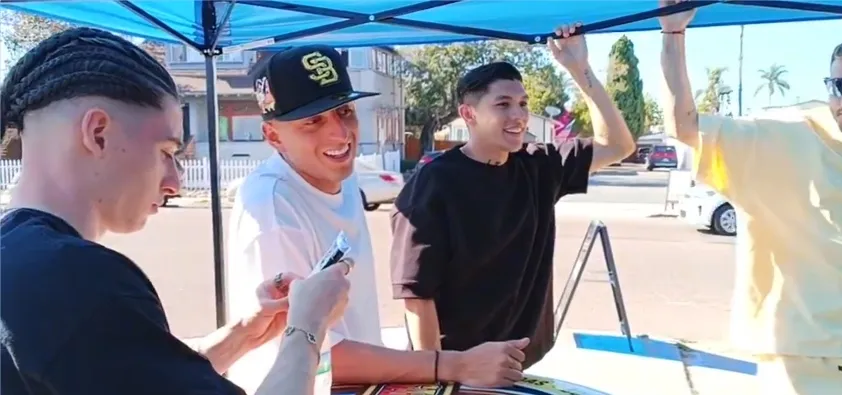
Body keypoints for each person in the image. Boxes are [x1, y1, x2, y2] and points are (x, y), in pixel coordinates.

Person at [0, 27, 350, 395]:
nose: (174, 183)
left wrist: (244, 335)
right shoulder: (78, 280)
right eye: (166, 152)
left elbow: (135, 378)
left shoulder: (22, 261)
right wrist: (307, 327)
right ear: (98, 133)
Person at [226, 44, 535, 392]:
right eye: (313, 121)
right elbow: (306, 350)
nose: (340, 134)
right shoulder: (272, 207)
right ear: (273, 136)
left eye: (344, 111)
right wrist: (453, 364)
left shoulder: (340, 176)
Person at [389, 24, 636, 369]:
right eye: (503, 104)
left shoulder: (539, 165)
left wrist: (580, 69)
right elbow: (417, 295)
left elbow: (619, 146)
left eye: (522, 104)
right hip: (459, 368)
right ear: (469, 114)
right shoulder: (434, 184)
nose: (518, 115)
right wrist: (437, 374)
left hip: (520, 364)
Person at [657, 1, 842, 393]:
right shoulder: (790, 135)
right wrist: (673, 34)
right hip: (806, 363)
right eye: (838, 86)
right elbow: (685, 126)